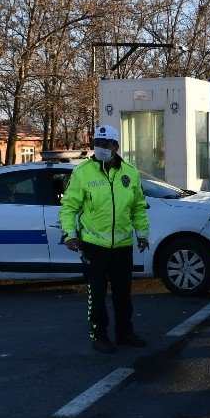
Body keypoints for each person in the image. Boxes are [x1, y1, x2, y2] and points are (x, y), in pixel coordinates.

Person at [59, 125, 150, 354]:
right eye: (97, 144)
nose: (100, 148)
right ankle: (99, 336)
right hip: (94, 246)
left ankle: (125, 333)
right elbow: (69, 207)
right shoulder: (82, 172)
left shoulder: (130, 172)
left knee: (123, 293)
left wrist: (142, 234)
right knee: (97, 294)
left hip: (122, 246)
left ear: (116, 146)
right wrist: (70, 234)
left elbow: (138, 207)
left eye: (105, 144)